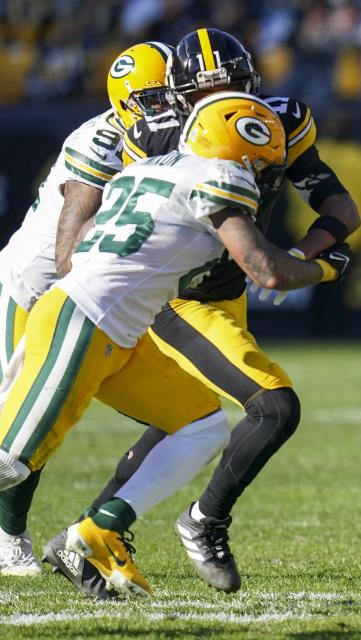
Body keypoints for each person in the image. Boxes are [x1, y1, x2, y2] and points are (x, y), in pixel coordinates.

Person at [41, 27, 361, 597]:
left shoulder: (280, 120)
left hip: (228, 288)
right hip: (177, 297)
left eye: (235, 86)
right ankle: (204, 521)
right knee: (272, 408)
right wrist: (307, 266)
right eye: (209, 91)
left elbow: (339, 206)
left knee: (185, 422)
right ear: (181, 96)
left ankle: (90, 531)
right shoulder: (155, 136)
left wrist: (296, 253)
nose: (223, 100)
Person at [0, 42, 235, 588]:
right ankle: (11, 536)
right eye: (153, 98)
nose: (167, 108)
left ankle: (91, 534)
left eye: (171, 96)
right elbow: (67, 256)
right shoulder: (100, 139)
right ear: (124, 102)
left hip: (110, 309)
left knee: (201, 424)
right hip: (42, 290)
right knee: (24, 436)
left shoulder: (180, 136)